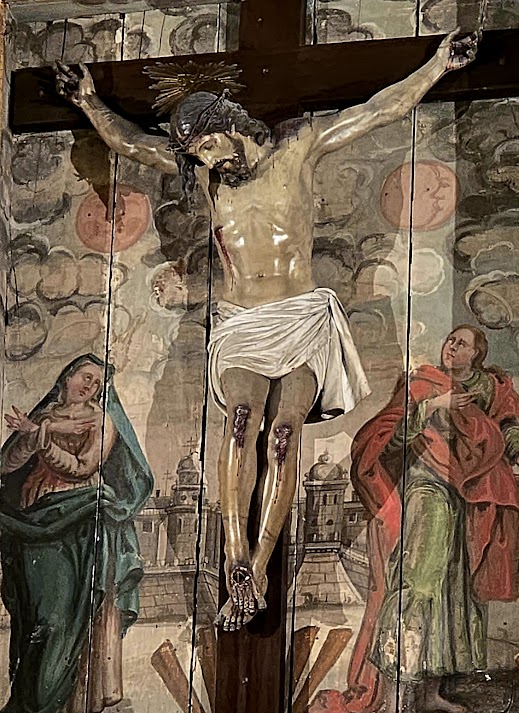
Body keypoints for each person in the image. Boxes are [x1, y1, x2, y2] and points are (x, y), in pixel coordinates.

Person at [55, 31, 477, 631]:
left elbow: (376, 110)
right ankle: (234, 556)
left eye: (208, 145)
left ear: (229, 123)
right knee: (240, 420)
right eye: (197, 156)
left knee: (282, 433)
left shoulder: (297, 149)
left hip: (299, 317)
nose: (208, 162)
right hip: (242, 321)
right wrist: (89, 102)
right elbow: (134, 143)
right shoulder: (208, 178)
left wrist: (438, 65)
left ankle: (259, 564)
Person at [339, 326, 519, 713]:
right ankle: (395, 700)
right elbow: (389, 439)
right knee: (417, 585)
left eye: (461, 343)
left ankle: (431, 693)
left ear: (477, 354)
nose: (451, 346)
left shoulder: (491, 389)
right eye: (450, 340)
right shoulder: (423, 384)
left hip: (471, 495)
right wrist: (434, 405)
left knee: (457, 593)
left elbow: (508, 427)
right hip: (428, 486)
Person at [0, 354, 153, 713]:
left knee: (62, 621)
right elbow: (8, 465)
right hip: (36, 521)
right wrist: (36, 434)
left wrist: (42, 438)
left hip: (79, 519)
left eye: (97, 383)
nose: (90, 386)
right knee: (33, 622)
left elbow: (83, 468)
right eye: (86, 377)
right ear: (67, 376)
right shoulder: (44, 416)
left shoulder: (101, 421)